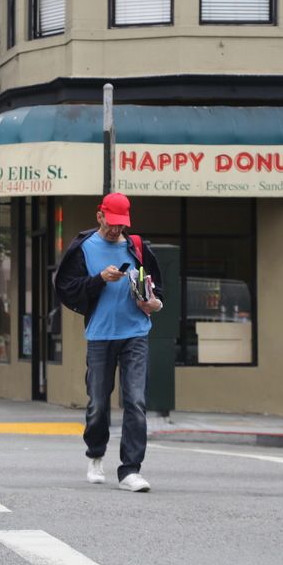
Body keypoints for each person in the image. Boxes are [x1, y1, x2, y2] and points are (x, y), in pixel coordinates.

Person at [53, 192, 163, 493]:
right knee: (98, 402)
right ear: (100, 215)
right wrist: (100, 278)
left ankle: (130, 470)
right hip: (100, 336)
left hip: (136, 332)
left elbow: (157, 290)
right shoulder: (84, 249)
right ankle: (95, 454)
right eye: (112, 223)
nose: (116, 230)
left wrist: (154, 303)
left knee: (136, 401)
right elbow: (68, 288)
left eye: (121, 224)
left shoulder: (136, 247)